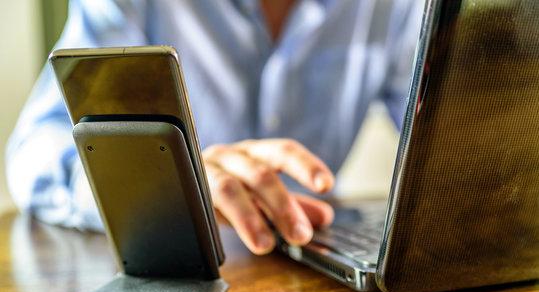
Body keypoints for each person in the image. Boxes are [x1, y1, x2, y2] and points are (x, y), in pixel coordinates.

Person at [6, 0, 422, 255]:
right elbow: (35, 152)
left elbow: (449, 131)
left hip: (316, 259)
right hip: (174, 270)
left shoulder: (397, 6)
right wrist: (162, 183)